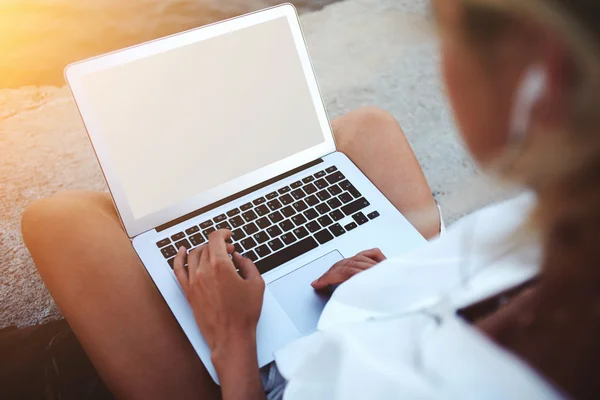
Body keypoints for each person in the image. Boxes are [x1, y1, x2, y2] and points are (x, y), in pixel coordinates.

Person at [20, 0, 600, 398]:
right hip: (366, 307)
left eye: (443, 32)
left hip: (260, 377)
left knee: (62, 219)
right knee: (364, 126)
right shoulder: (559, 232)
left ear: (539, 79)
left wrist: (233, 343)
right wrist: (396, 288)